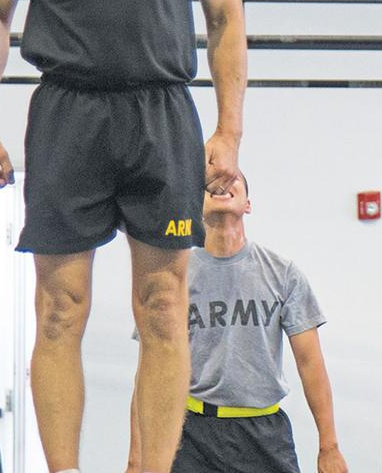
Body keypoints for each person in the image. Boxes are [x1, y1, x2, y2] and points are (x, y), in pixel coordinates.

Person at [0, 0, 249, 470]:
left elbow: (225, 14)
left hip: (162, 110)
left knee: (165, 306)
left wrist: (229, 129)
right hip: (68, 114)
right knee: (58, 308)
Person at [126, 175, 349, 473]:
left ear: (248, 205)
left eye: (232, 180)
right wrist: (136, 459)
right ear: (195, 206)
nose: (220, 185)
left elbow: (310, 363)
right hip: (191, 435)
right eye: (209, 186)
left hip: (265, 435)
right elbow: (148, 373)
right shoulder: (171, 278)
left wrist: (329, 446)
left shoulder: (283, 274)